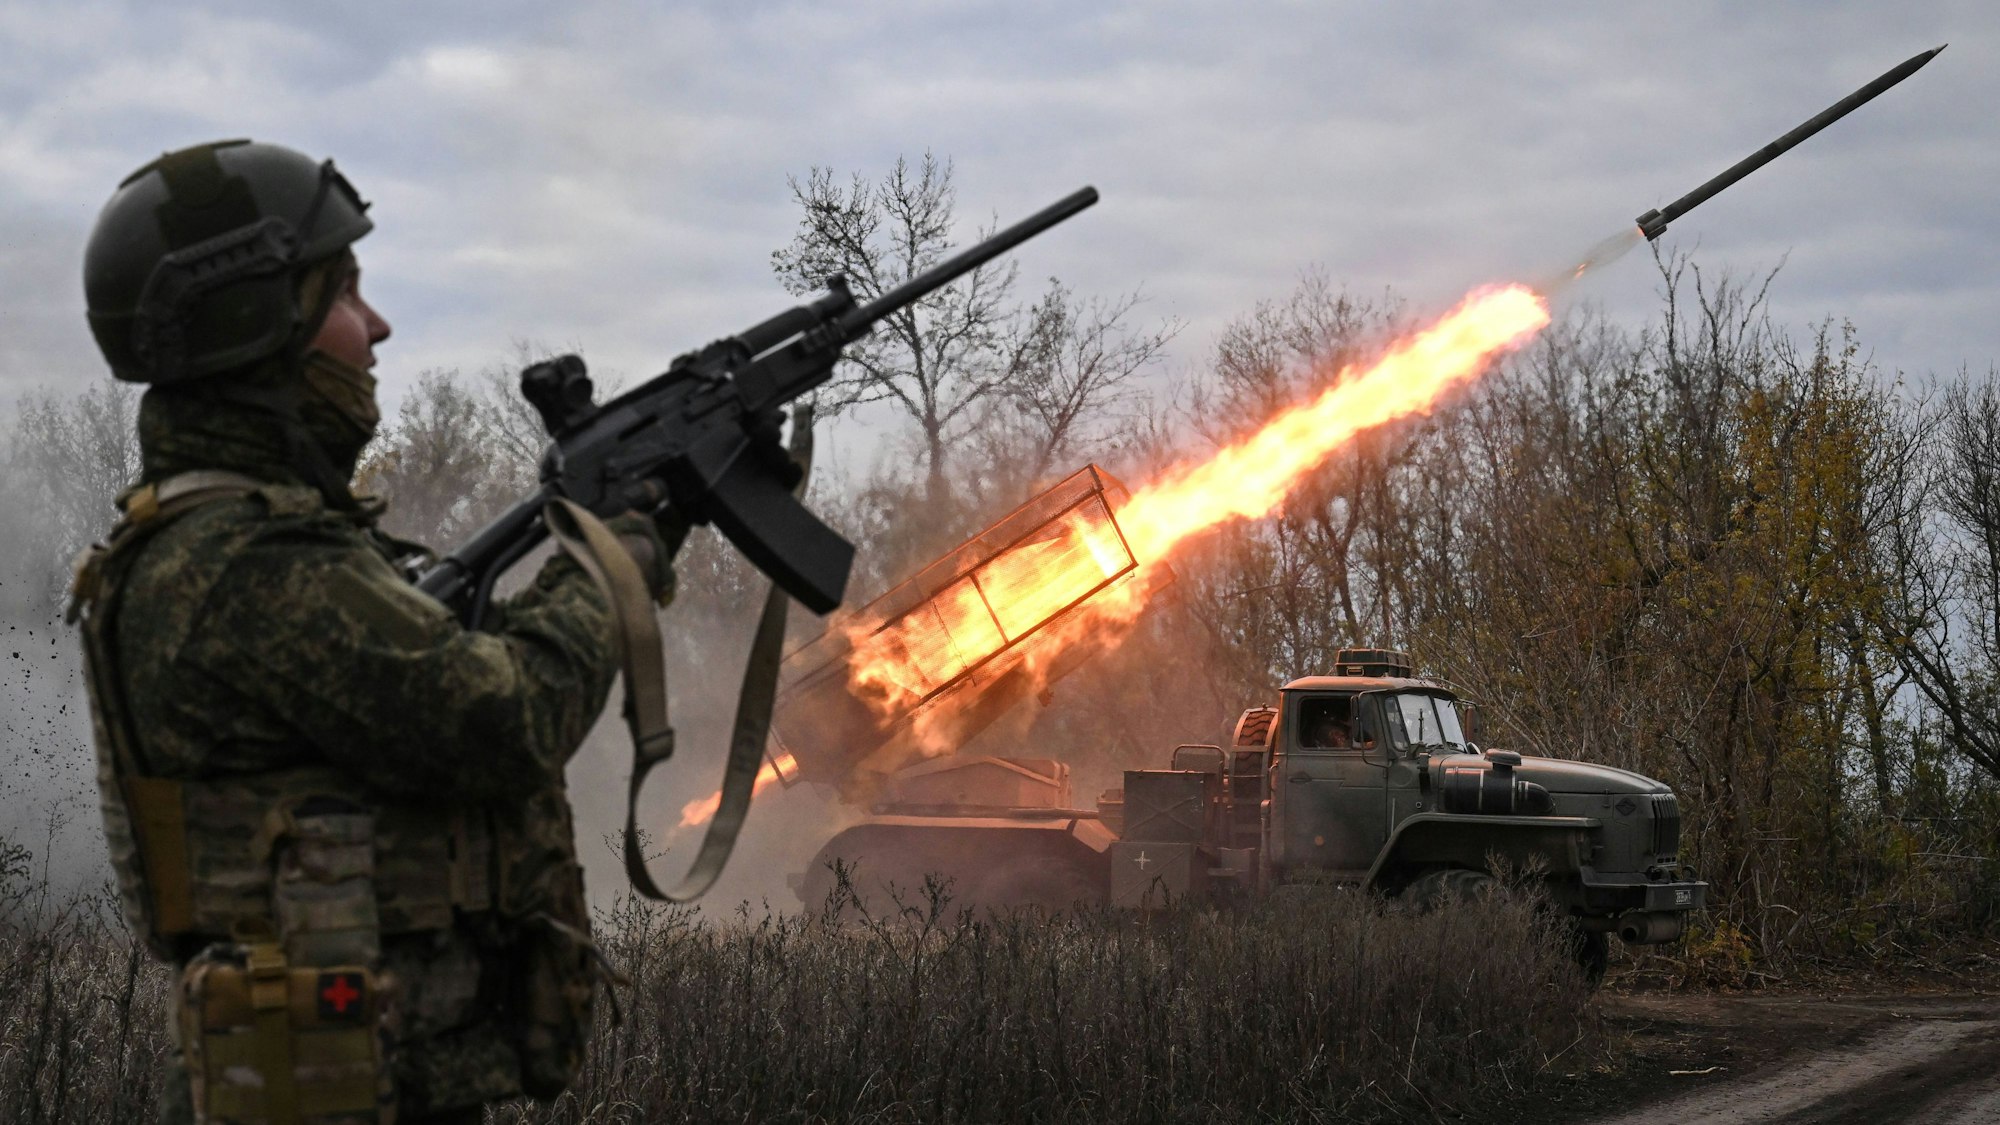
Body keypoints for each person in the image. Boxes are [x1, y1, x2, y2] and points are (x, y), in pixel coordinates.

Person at [71, 139, 676, 1124]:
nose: (378, 326)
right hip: (337, 1092)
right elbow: (507, 716)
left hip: (352, 1080)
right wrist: (617, 560)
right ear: (261, 325)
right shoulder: (250, 565)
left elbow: (453, 681)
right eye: (345, 293)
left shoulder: (229, 541)